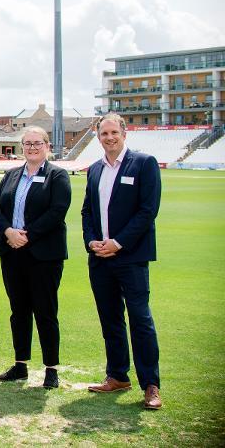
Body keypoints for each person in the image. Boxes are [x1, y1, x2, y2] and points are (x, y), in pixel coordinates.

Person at [81, 113, 163, 410]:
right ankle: (117, 375)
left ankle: (151, 385)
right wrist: (92, 241)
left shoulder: (143, 163)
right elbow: (87, 212)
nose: (109, 138)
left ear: (124, 134)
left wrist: (118, 242)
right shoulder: (94, 169)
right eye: (104, 134)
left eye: (114, 132)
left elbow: (147, 210)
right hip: (100, 258)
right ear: (98, 136)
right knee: (110, 318)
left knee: (140, 320)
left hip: (131, 257)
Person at [0, 126, 71, 389]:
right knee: (19, 311)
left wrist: (27, 235)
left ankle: (51, 368)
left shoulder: (56, 175)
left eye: (38, 143)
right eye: (28, 144)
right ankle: (20, 364)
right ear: (22, 147)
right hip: (12, 252)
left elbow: (58, 210)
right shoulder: (12, 174)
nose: (32, 148)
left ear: (47, 146)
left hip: (43, 255)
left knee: (46, 311)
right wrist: (8, 232)